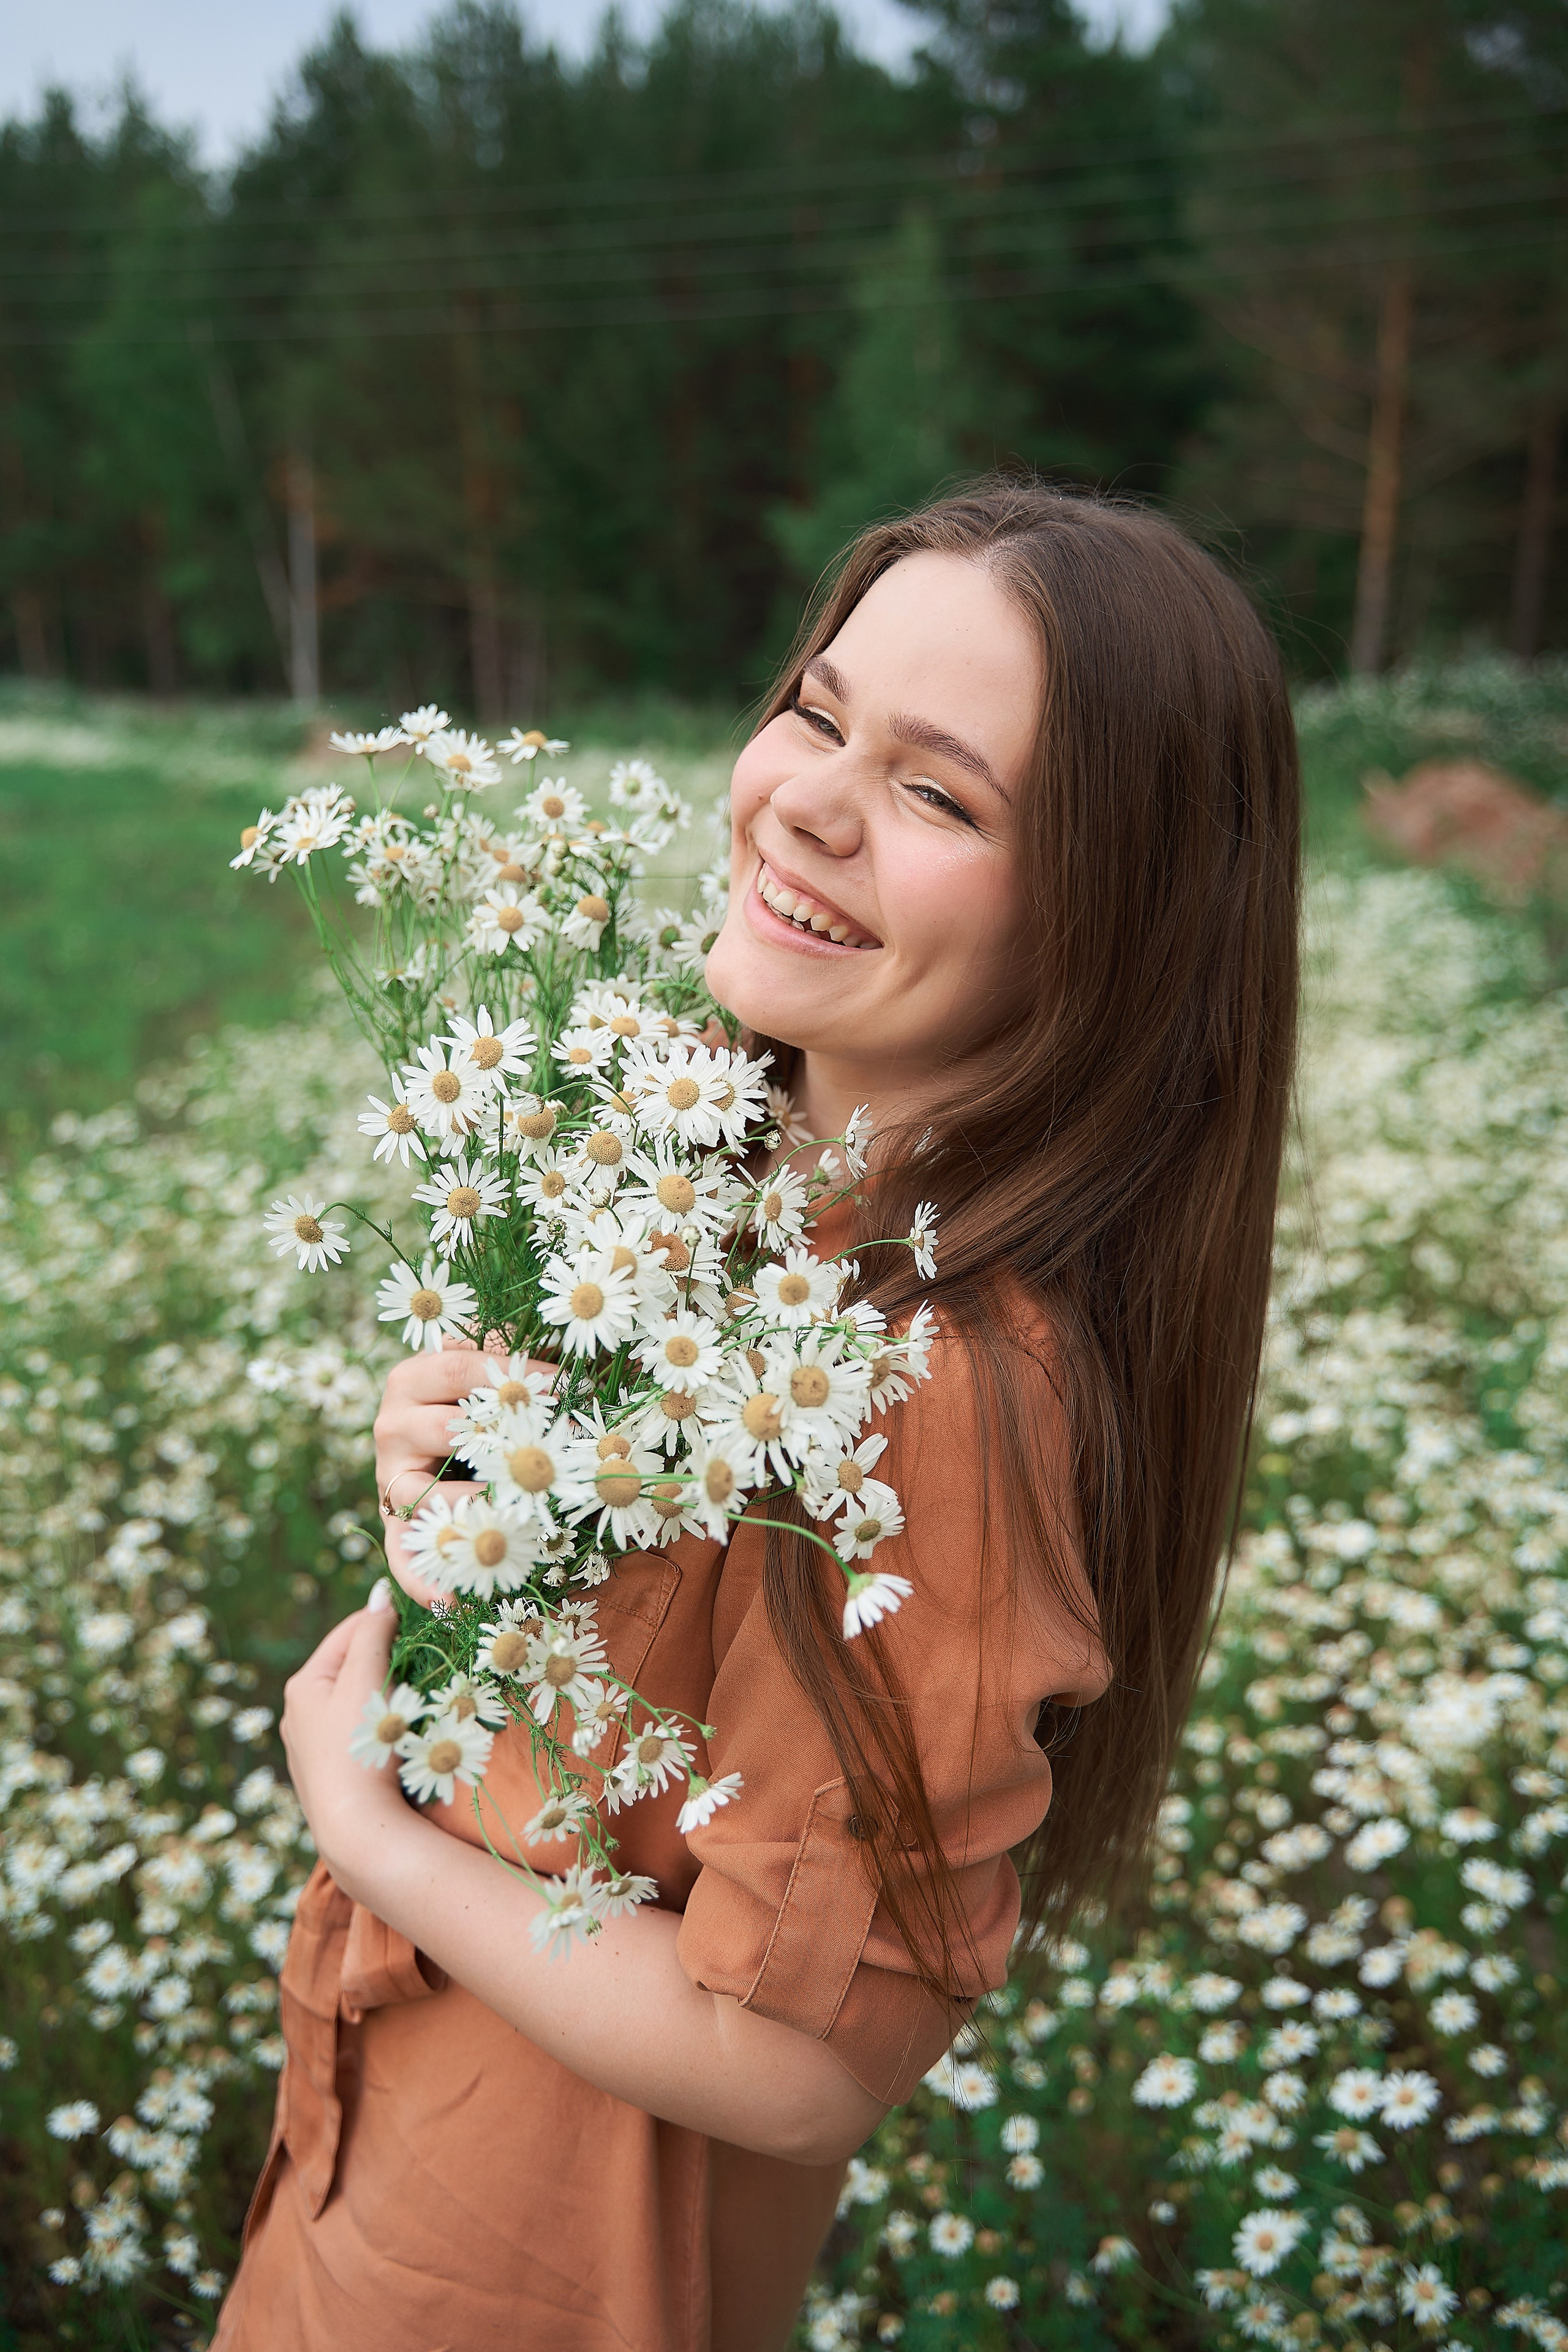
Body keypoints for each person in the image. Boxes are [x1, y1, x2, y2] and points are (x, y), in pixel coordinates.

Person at [214, 480, 1300, 2352]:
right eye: (818, 709)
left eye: (942, 794)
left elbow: (804, 2067)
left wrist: (374, 1831)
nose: (806, 797)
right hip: (378, 2157)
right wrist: (473, 1471)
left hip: (551, 2267)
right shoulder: (699, 1167)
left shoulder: (942, 1379)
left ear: (1113, 925)